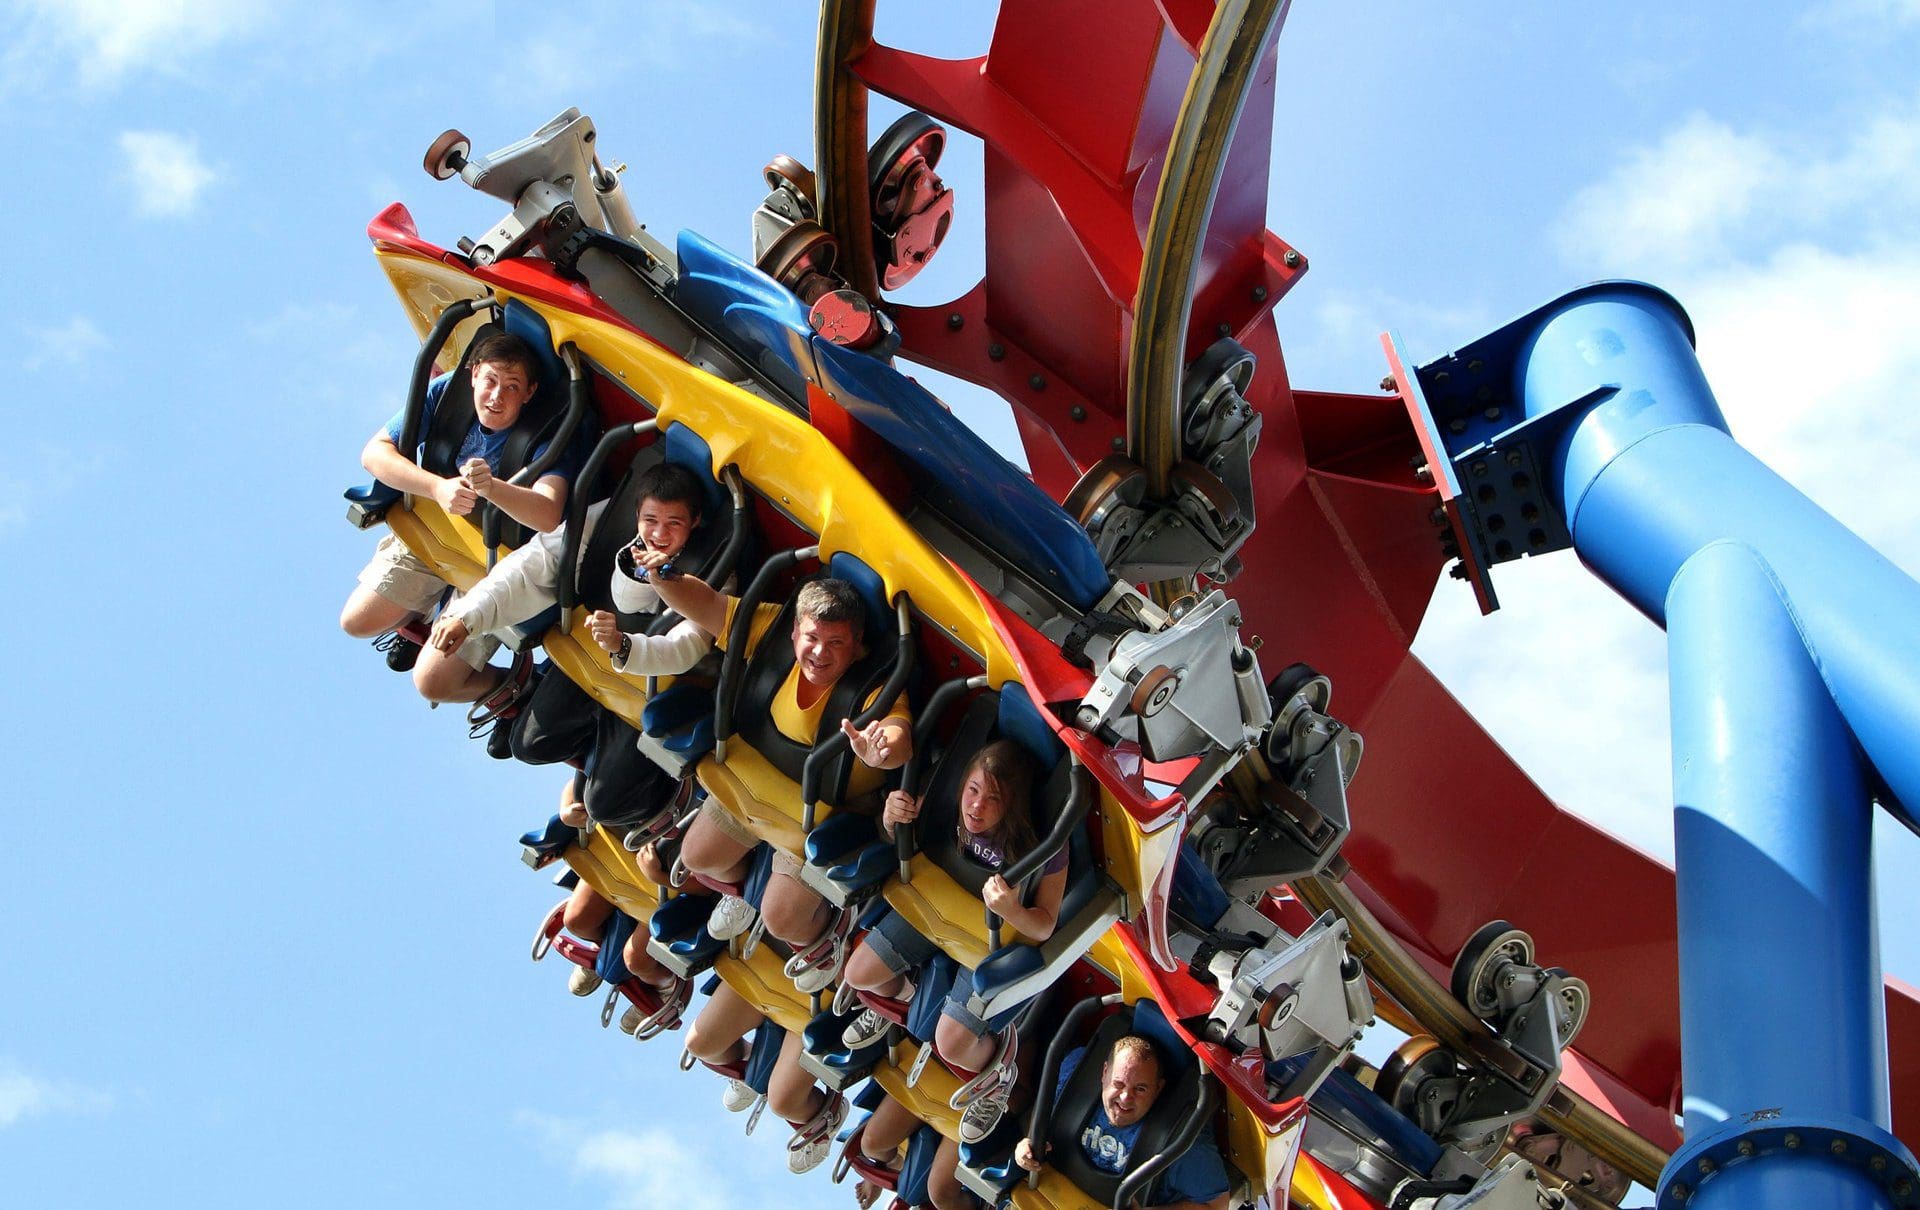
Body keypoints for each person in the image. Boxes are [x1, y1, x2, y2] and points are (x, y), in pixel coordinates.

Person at [647, 570, 912, 994]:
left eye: (837, 643)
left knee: (782, 918)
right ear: (795, 632)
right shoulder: (771, 629)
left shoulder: (874, 685)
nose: (820, 653)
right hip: (758, 777)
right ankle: (749, 883)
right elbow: (711, 606)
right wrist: (660, 578)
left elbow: (899, 734)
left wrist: (881, 750)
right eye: (812, 638)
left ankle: (829, 929)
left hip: (823, 815)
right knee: (696, 855)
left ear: (857, 647)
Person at [837, 740, 1069, 1142]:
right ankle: (910, 998)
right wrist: (893, 819)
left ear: (1012, 805)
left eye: (993, 799)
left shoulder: (1045, 846)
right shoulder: (949, 803)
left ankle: (997, 1071)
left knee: (951, 1043)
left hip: (991, 939)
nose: (976, 807)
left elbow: (1045, 925)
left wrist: (1013, 910)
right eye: (973, 790)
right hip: (939, 907)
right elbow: (898, 835)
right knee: (858, 972)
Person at [339, 331, 587, 705]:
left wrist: (493, 489)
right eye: (489, 381)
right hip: (437, 530)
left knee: (431, 683)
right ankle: (421, 613)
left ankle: (511, 684)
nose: (496, 396)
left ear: (529, 393)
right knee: (356, 622)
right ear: (473, 375)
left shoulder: (548, 433)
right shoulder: (445, 393)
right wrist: (436, 487)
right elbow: (375, 453)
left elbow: (548, 513)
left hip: (494, 564)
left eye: (511, 386)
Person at [1013, 1034, 1231, 1210]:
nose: (1125, 1098)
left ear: (1158, 1088)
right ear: (1104, 1072)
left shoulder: (1184, 1140)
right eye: (1118, 1083)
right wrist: (1027, 1145)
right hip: (1050, 1191)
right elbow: (1042, 1117)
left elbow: (1217, 1203)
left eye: (1140, 1089)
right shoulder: (1076, 1072)